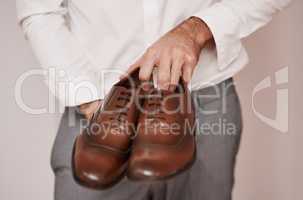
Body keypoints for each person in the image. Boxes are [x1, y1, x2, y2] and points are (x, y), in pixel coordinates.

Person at [17, 0, 291, 199]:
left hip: (205, 98)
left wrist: (199, 28)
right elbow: (39, 10)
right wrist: (88, 99)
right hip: (98, 108)